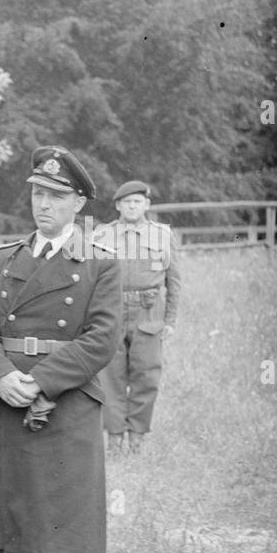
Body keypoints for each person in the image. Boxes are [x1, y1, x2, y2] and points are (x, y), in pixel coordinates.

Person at [0, 146, 122, 553]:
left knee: (56, 514)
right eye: (38, 193)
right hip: (7, 399)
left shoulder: (100, 265)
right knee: (6, 509)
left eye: (56, 195)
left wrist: (41, 381)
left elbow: (101, 338)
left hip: (66, 403)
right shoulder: (6, 258)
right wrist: (1, 376)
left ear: (78, 204)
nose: (44, 204)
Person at [93, 179, 182, 454]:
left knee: (147, 375)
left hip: (149, 310)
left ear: (147, 204)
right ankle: (115, 437)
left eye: (137, 202)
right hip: (112, 310)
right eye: (127, 202)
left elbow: (174, 280)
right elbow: (90, 279)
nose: (132, 206)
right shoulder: (101, 235)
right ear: (118, 205)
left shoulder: (163, 235)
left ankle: (137, 438)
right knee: (111, 376)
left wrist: (170, 321)